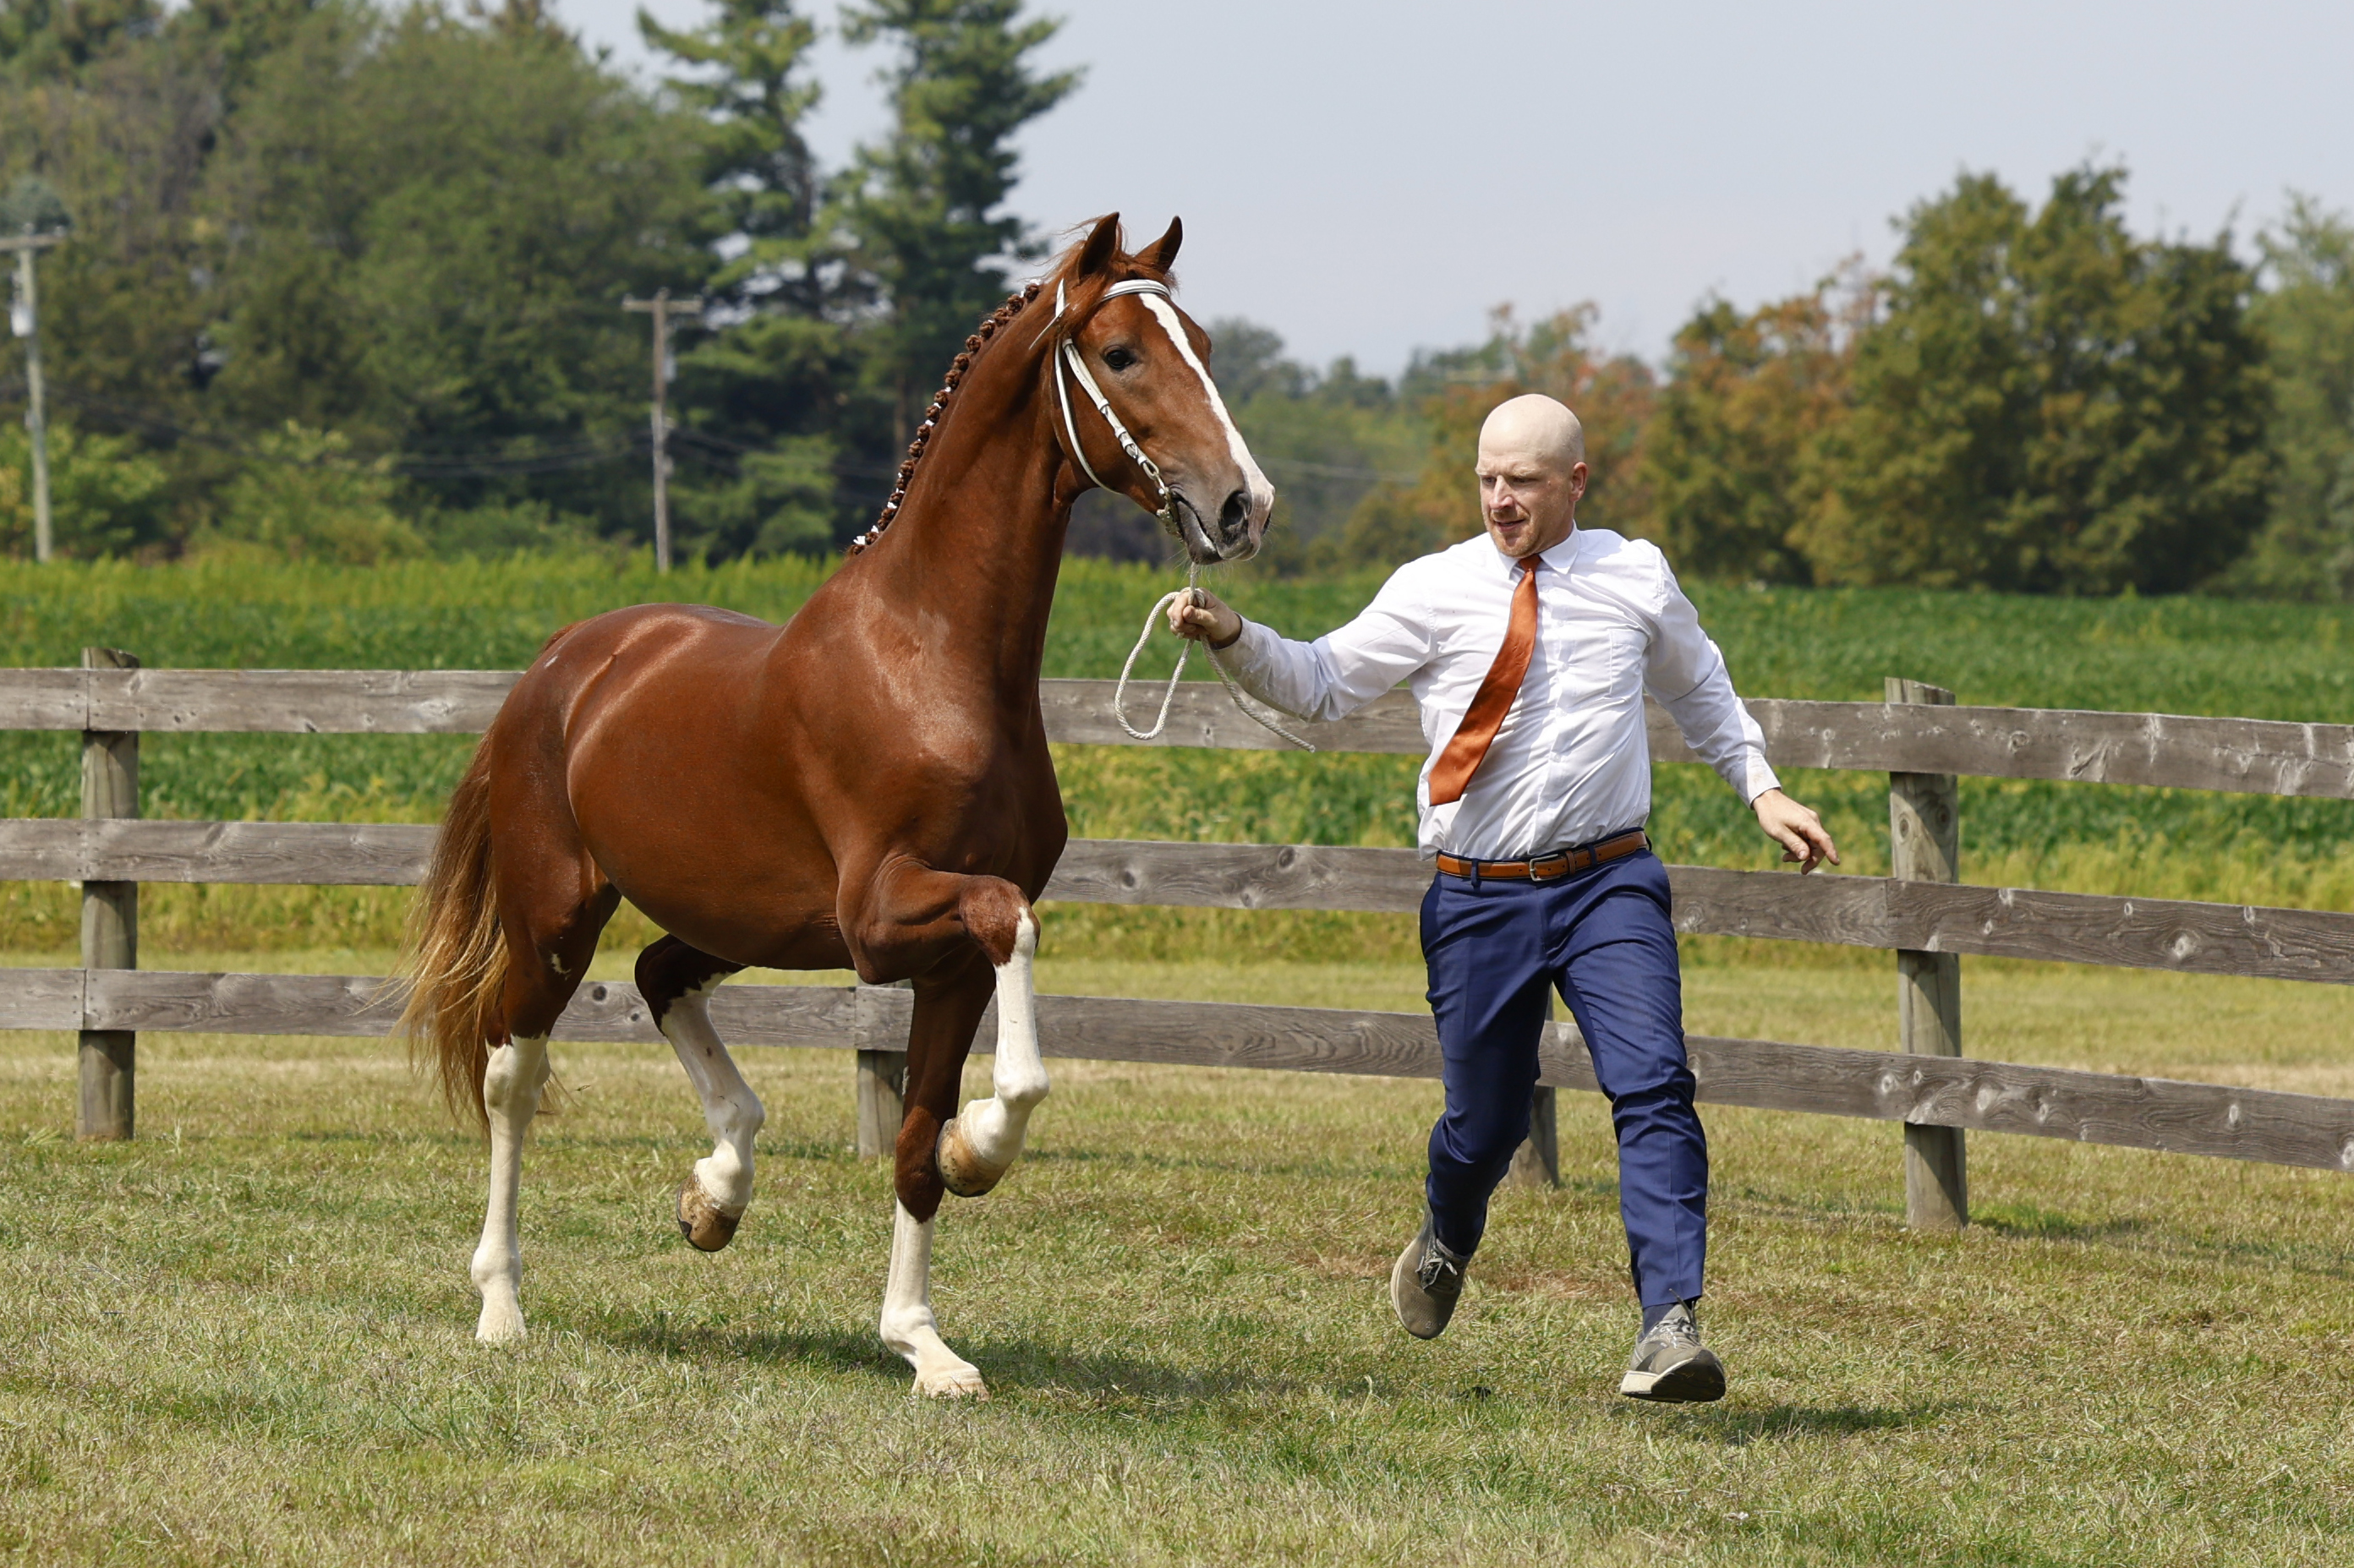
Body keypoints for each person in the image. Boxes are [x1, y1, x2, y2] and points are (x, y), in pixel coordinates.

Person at [1169, 393, 1837, 1402]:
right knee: (1485, 1125)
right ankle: (1448, 1228)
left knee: (1654, 1082)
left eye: (1522, 480)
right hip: (1480, 896)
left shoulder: (1633, 573)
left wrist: (1763, 785)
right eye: (1487, 478)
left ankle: (1669, 1322)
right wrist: (1233, 632)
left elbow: (1700, 685)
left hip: (1609, 879)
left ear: (1574, 483)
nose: (1500, 499)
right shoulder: (1435, 588)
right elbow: (1321, 681)